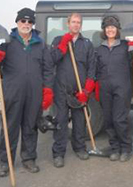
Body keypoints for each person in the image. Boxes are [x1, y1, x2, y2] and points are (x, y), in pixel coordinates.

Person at [0, 8, 54, 177]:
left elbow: (47, 69)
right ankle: (5, 160)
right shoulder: (7, 42)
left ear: (33, 24)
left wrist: (47, 90)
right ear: (17, 22)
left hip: (34, 93)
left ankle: (29, 158)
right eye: (23, 21)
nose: (26, 24)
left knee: (30, 127)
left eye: (29, 21)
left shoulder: (40, 43)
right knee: (10, 127)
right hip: (12, 92)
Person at [50, 13, 96, 168]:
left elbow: (92, 67)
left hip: (79, 91)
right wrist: (62, 46)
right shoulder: (58, 40)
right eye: (73, 22)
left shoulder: (87, 43)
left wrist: (87, 88)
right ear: (67, 24)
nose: (76, 25)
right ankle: (58, 153)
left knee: (79, 121)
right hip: (61, 88)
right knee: (61, 122)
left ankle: (80, 148)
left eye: (79, 22)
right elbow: (51, 60)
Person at [95, 16, 133, 162]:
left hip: (122, 87)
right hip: (105, 88)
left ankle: (126, 148)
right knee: (109, 120)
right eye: (107, 27)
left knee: (119, 119)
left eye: (113, 27)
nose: (110, 29)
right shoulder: (99, 49)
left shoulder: (125, 46)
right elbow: (97, 68)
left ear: (117, 29)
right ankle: (115, 148)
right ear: (104, 30)